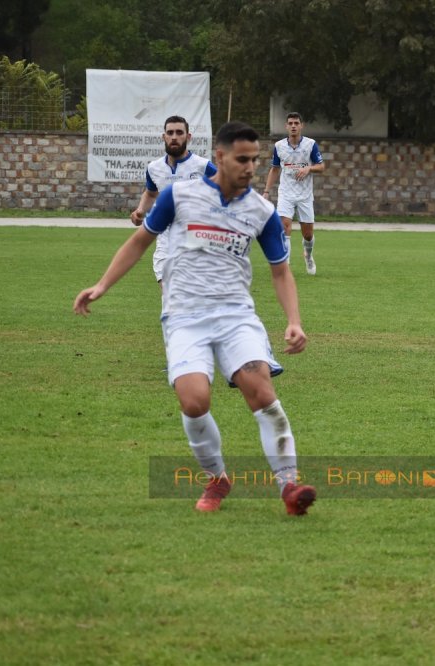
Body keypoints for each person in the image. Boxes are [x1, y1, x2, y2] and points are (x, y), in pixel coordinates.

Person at [75, 121, 317, 516]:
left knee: (262, 393)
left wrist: (294, 320)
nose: (249, 167)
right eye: (242, 159)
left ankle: (289, 485)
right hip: (184, 316)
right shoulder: (178, 196)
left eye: (254, 160)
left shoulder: (262, 211)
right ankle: (216, 477)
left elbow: (280, 269)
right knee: (193, 401)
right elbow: (139, 242)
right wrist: (102, 286)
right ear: (220, 157)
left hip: (236, 316)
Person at [129, 116, 216, 284]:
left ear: (188, 137)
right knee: (168, 290)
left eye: (179, 132)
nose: (174, 137)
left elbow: (227, 191)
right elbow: (151, 193)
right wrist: (140, 211)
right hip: (166, 237)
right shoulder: (154, 168)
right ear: (164, 137)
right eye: (170, 133)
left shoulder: (203, 166)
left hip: (196, 237)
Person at [263, 112, 325, 276]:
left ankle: (308, 256)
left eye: (296, 123)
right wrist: (266, 191)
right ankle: (286, 267)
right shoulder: (279, 146)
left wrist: (309, 168)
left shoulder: (311, 145)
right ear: (286, 126)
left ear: (301, 125)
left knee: (308, 234)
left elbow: (321, 166)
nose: (293, 126)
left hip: (305, 195)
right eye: (290, 123)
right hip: (286, 193)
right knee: (284, 227)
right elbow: (275, 169)